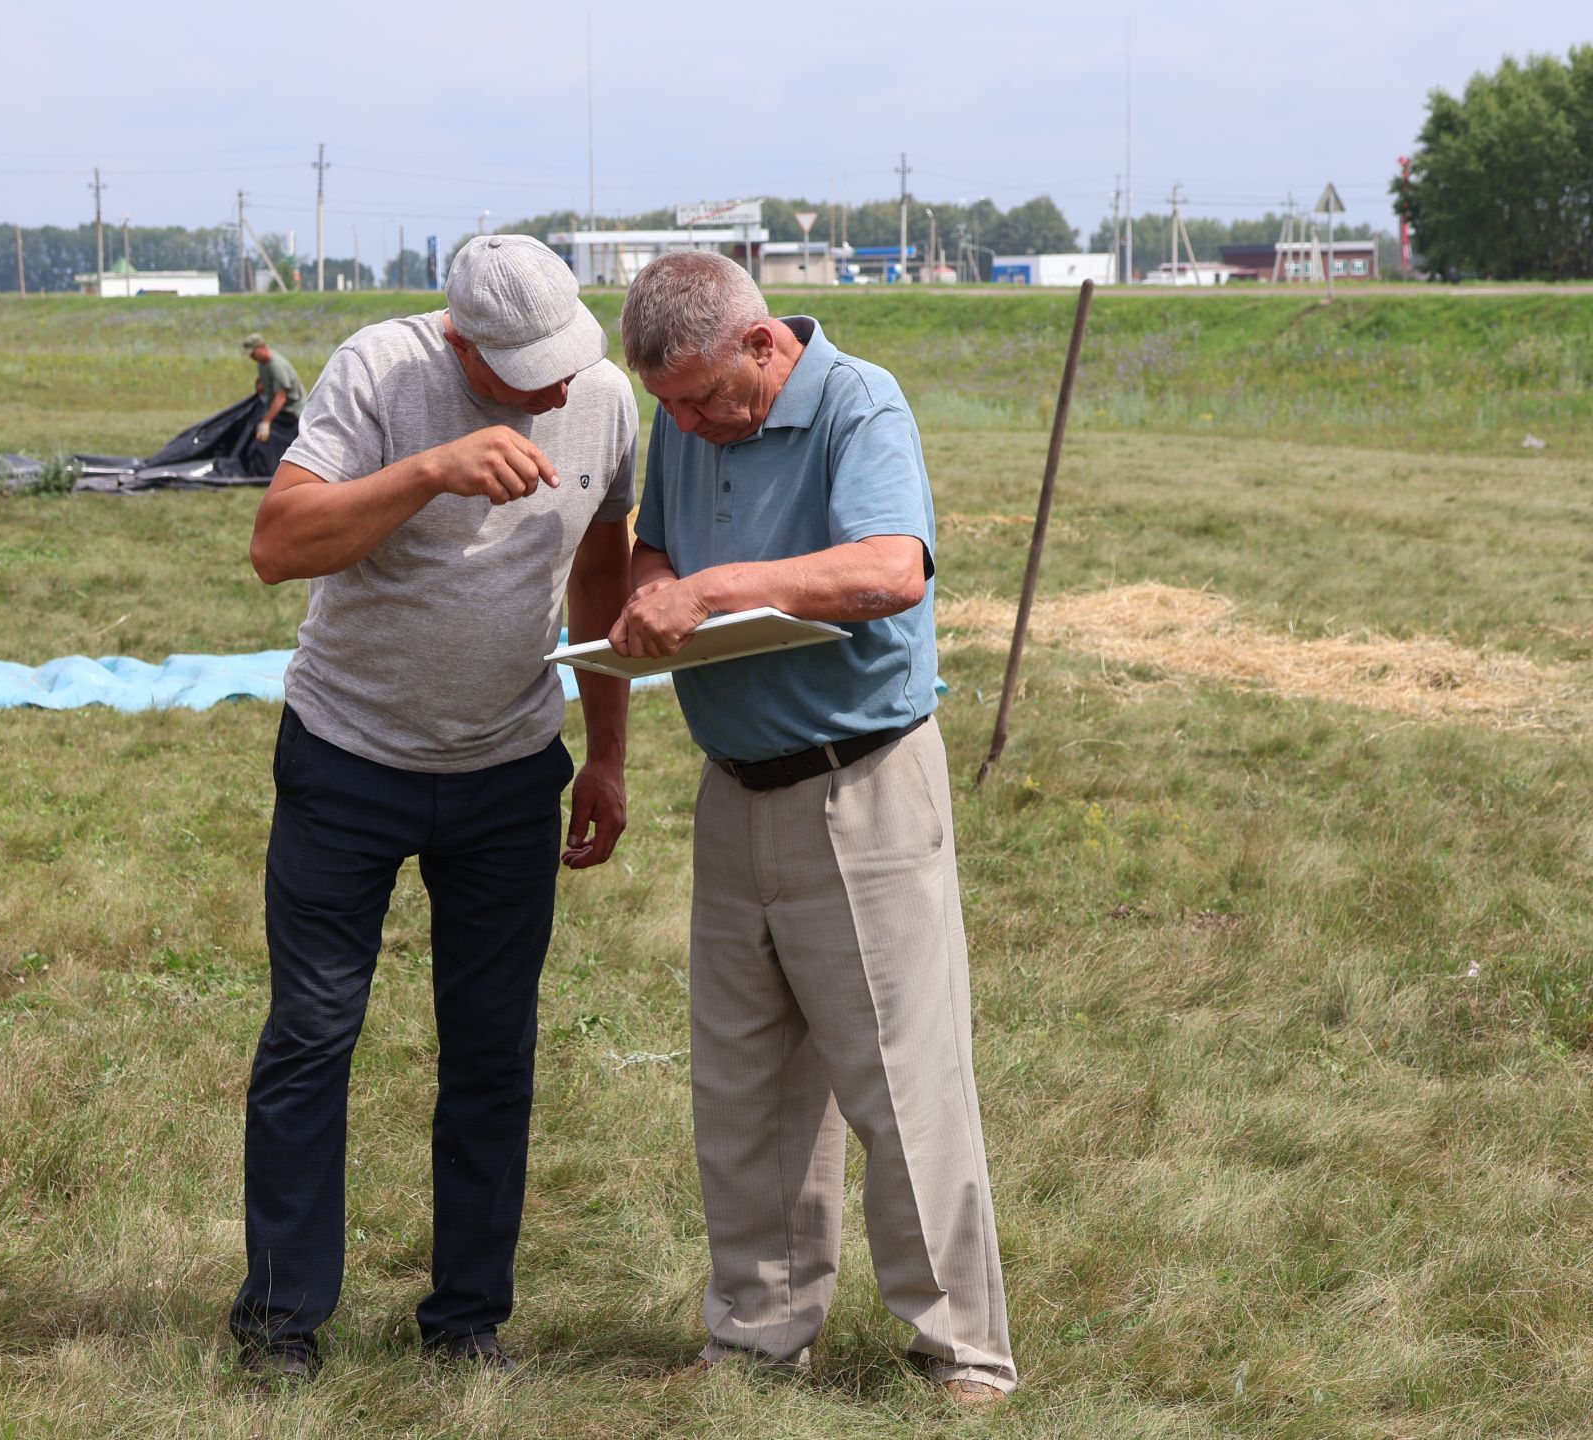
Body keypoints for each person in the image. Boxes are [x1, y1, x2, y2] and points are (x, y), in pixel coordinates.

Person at [610, 251, 1018, 1406]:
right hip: (734, 789)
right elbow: (658, 546)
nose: (686, 421)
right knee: (742, 1087)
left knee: (901, 1080)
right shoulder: (684, 414)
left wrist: (714, 592)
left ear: (762, 344)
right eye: (668, 406)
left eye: (702, 397)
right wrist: (651, 589)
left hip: (862, 786)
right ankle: (753, 1335)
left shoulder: (860, 402)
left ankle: (963, 1353)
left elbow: (893, 569)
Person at [233, 236, 637, 1382]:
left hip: (511, 770)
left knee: (493, 1051)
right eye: (529, 370)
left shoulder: (601, 399)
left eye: (568, 357)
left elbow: (603, 577)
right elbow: (277, 546)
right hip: (347, 760)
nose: (557, 388)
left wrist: (604, 754)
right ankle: (280, 1324)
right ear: (462, 341)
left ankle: (466, 1323)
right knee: (313, 1035)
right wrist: (428, 472)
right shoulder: (380, 371)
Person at [241, 332, 304, 448]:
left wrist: (266, 422)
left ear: (261, 347)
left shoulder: (276, 366)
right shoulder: (262, 362)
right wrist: (260, 383)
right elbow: (265, 378)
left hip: (292, 415)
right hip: (280, 412)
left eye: (253, 353)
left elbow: (281, 397)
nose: (251, 357)